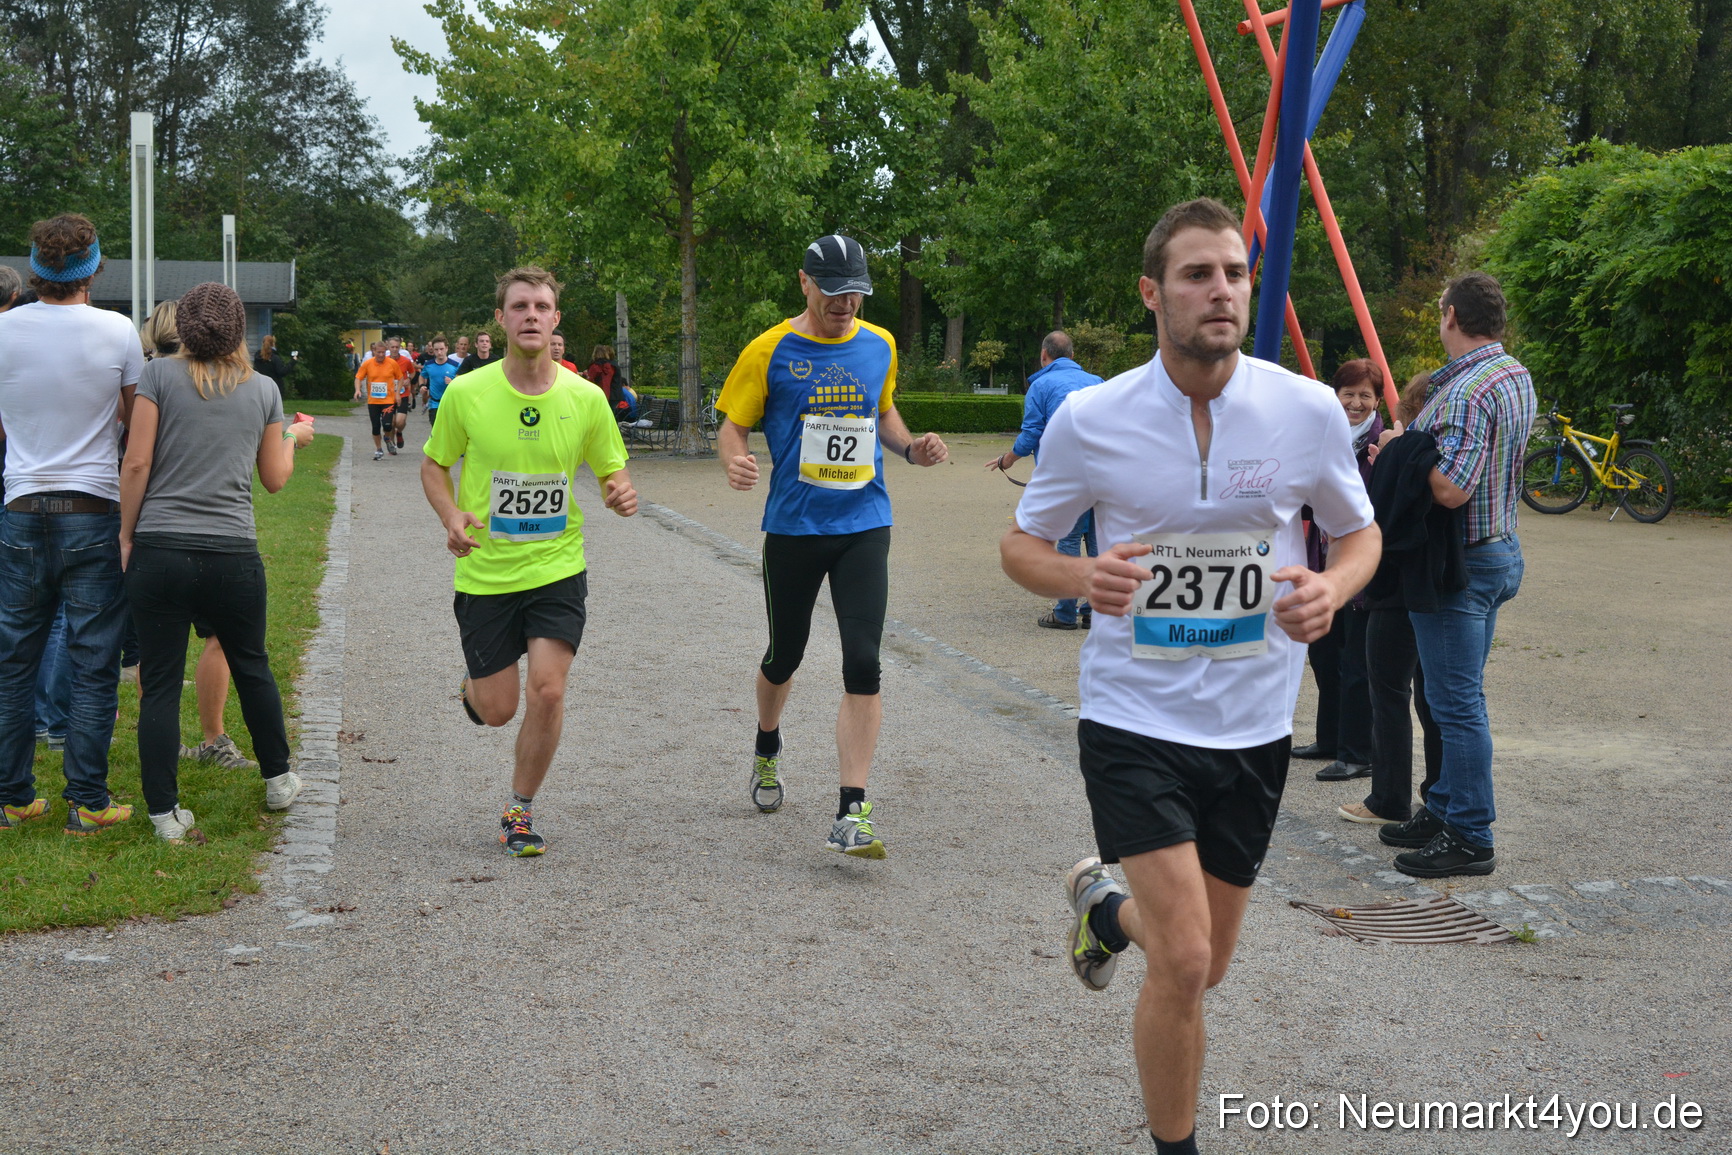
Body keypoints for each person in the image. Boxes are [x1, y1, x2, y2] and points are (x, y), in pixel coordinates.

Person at [1000, 198, 1379, 1155]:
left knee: (1207, 965)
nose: (1220, 290)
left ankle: (1101, 906)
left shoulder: (1304, 409)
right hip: (1134, 717)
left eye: (1233, 274)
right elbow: (1020, 544)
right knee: (1185, 957)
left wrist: (1331, 588)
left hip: (1253, 725)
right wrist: (1084, 576)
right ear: (1152, 293)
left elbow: (1361, 531)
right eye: (1197, 275)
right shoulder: (1092, 417)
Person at [717, 233, 949, 856]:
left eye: (856, 293)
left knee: (863, 659)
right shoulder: (768, 350)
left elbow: (886, 413)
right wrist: (736, 459)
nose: (845, 304)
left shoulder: (880, 345)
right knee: (784, 656)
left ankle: (853, 808)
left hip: (864, 523)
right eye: (833, 291)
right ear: (804, 284)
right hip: (793, 527)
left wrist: (910, 447)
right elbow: (732, 426)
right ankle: (768, 743)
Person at [421, 267, 637, 858]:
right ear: (501, 318)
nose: (532, 316)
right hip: (486, 573)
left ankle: (520, 809)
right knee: (497, 710)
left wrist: (620, 492)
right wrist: (451, 515)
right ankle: (474, 689)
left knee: (546, 691)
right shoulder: (468, 394)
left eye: (542, 306)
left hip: (557, 568)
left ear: (556, 318)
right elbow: (435, 465)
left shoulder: (586, 397)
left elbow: (612, 469)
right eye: (520, 307)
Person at [120, 282, 313, 841]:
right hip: (232, 554)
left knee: (157, 681)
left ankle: (164, 813)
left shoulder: (156, 376)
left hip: (160, 548)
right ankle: (279, 779)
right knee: (252, 665)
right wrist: (294, 440)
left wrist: (127, 536)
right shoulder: (264, 389)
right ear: (239, 331)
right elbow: (274, 480)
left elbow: (136, 464)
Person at [1373, 272, 1535, 877]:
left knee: (1455, 703)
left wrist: (1398, 449)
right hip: (1496, 550)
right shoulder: (1513, 374)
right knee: (1453, 698)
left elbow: (1449, 488)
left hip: (1457, 565)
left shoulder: (1467, 391)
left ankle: (1469, 833)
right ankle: (1443, 808)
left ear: (1449, 315)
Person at [0, 213, 144, 834]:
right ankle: (86, 800)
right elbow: (139, 423)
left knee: (14, 661)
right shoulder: (117, 331)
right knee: (93, 663)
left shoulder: (4, 330)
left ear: (35, 267)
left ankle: (11, 797)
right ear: (93, 266)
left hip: (21, 507)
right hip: (92, 507)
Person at [1342, 372, 1446, 825]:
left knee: (1387, 689)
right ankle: (1436, 796)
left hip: (1397, 587)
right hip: (1436, 585)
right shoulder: (1450, 455)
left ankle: (1387, 799)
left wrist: (1387, 458)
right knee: (1432, 698)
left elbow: (1377, 515)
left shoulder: (1406, 451)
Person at [1300, 359, 1385, 782]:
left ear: (1377, 400)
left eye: (1364, 395)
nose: (1354, 403)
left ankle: (1358, 751)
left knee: (1356, 662)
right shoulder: (1323, 434)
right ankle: (1330, 738)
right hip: (1321, 555)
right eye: (1347, 394)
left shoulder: (1382, 442)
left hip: (1356, 563)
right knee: (1323, 652)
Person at [985, 330, 1103, 629]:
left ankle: (1065, 612)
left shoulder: (1041, 386)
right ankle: (1094, 609)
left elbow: (1030, 435)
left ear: (1044, 356)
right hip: (1102, 473)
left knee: (1069, 538)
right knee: (1097, 537)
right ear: (1073, 357)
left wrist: (1005, 461)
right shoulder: (1099, 383)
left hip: (1067, 475)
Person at [354, 341, 406, 459]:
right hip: (373, 401)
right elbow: (358, 378)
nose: (381, 355)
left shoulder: (392, 363)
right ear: (374, 352)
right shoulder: (367, 364)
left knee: (387, 425)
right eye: (379, 352)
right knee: (376, 426)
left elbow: (401, 378)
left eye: (383, 352)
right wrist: (357, 390)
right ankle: (378, 449)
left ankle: (387, 437)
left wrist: (397, 393)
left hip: (387, 400)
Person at [582, 344, 634, 421]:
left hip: (605, 396)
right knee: (610, 417)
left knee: (605, 418)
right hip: (614, 395)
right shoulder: (611, 365)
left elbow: (600, 383)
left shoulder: (598, 366)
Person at [418, 334, 460, 427]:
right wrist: (422, 386)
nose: (439, 352)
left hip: (450, 404)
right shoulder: (429, 365)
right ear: (433, 350)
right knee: (436, 433)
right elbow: (422, 376)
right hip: (434, 404)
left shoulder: (455, 365)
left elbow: (462, 383)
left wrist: (453, 382)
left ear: (446, 348)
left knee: (449, 432)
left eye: (441, 349)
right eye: (436, 350)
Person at [253, 334, 290, 400]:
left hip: (260, 387)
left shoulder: (257, 357)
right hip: (274, 387)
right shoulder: (275, 358)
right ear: (273, 344)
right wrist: (292, 362)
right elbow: (281, 372)